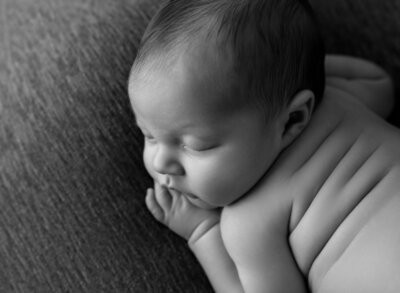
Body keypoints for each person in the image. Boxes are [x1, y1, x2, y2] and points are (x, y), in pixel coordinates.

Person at [127, 0, 396, 292]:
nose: (160, 163)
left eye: (198, 146)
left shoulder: (248, 222)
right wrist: (289, 75)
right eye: (148, 135)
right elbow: (378, 80)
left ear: (293, 120)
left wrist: (202, 232)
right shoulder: (341, 99)